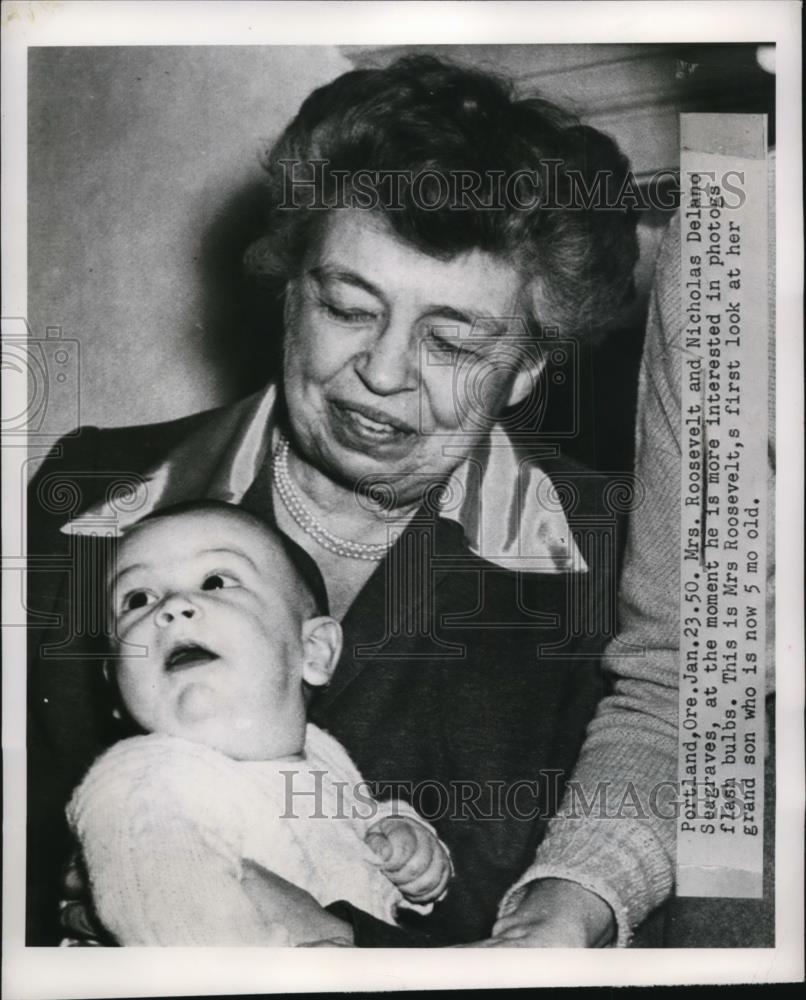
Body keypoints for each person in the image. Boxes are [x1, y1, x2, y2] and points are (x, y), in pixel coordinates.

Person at [27, 54, 639, 946]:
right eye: (350, 309)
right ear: (289, 295)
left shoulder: (612, 557)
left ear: (526, 371)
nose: (384, 374)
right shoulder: (90, 503)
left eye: (455, 342)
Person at [66, 501, 451, 945]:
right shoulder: (144, 782)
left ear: (315, 652)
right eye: (136, 600)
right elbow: (178, 928)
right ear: (114, 684)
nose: (172, 608)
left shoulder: (322, 752)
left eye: (215, 581)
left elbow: (358, 822)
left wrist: (403, 837)